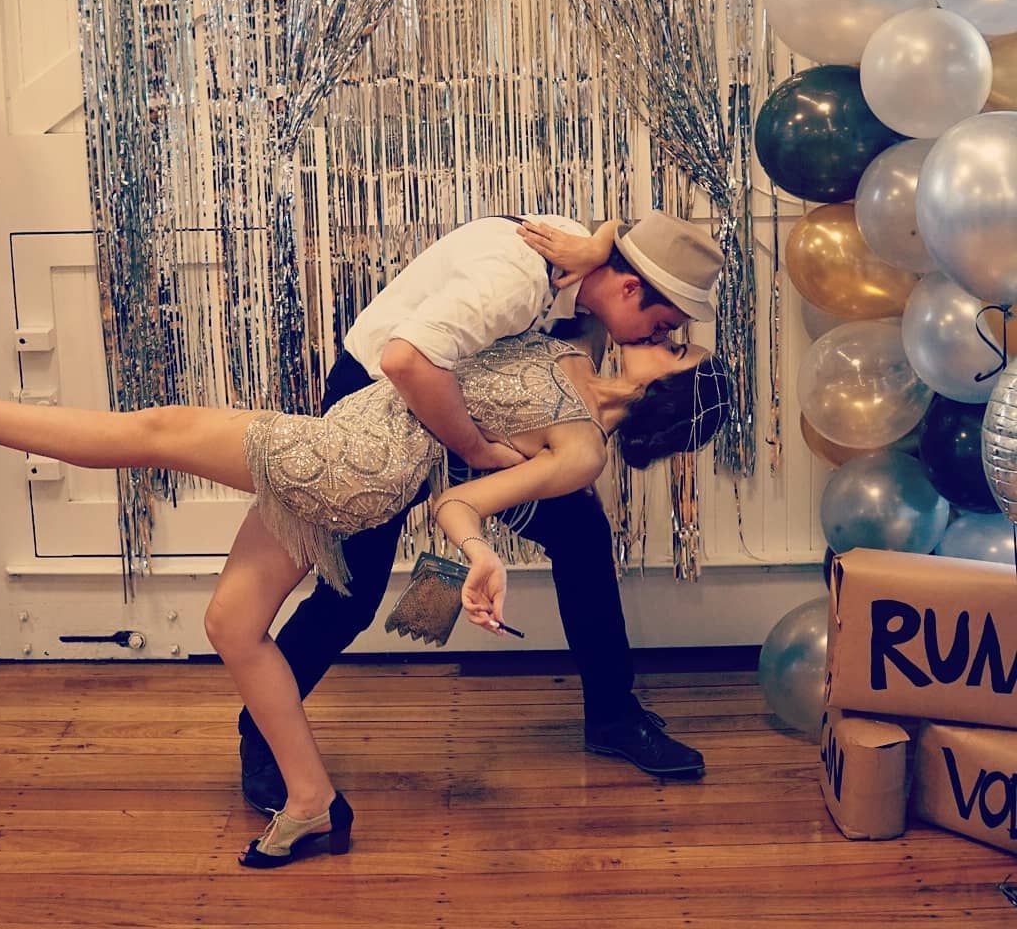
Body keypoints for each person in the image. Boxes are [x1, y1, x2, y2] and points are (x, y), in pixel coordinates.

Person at [0, 318, 728, 866]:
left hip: (349, 467)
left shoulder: (582, 451)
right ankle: (312, 802)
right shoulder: (573, 344)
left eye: (678, 349)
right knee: (232, 625)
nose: (665, 333)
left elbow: (460, 502)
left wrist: (477, 553)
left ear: (673, 395)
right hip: (350, 440)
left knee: (155, 432)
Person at [230, 210, 727, 815]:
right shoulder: (518, 276)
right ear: (628, 288)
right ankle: (262, 736)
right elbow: (408, 363)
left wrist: (601, 240)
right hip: (387, 405)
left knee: (582, 536)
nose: (656, 339)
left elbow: (625, 233)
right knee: (351, 597)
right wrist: (472, 449)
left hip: (474, 409)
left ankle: (613, 715)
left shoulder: (586, 269)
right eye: (662, 327)